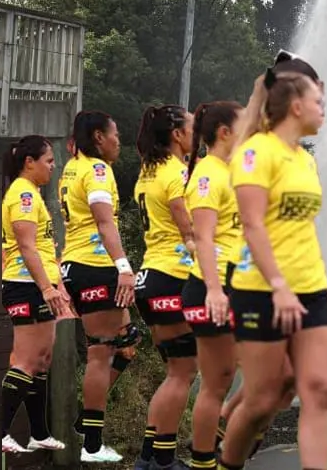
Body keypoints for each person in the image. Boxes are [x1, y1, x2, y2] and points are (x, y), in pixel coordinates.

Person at [218, 71, 327, 470]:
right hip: (260, 290)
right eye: (319, 101)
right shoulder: (255, 153)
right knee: (261, 401)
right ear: (297, 107)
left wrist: (302, 281)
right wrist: (280, 286)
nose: (325, 109)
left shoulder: (305, 159)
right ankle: (227, 464)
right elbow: (252, 225)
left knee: (317, 389)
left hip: (311, 288)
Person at [59, 110, 135, 463]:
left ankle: (84, 422)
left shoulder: (72, 167)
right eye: (114, 133)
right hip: (95, 266)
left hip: (78, 265)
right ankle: (91, 444)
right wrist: (124, 267)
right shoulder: (98, 170)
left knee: (127, 347)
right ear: (98, 137)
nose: (119, 140)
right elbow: (105, 224)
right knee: (101, 352)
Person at [180, 100, 251, 469]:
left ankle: (221, 431)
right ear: (225, 132)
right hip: (214, 286)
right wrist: (213, 290)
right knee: (217, 380)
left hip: (236, 285)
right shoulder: (208, 175)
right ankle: (205, 460)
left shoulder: (229, 171)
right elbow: (204, 238)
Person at [132, 104, 198, 470]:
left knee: (176, 373)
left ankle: (150, 457)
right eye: (192, 127)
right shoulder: (179, 173)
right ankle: (162, 460)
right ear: (176, 134)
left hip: (151, 278)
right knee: (182, 373)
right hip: (173, 277)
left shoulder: (148, 171)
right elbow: (190, 230)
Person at [0, 135, 71, 454]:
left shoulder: (34, 194)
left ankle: (38, 432)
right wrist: (45, 287)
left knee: (42, 361)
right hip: (25, 284)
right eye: (49, 161)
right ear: (29, 162)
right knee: (27, 361)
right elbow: (26, 246)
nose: (53, 167)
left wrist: (56, 284)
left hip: (39, 284)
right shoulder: (23, 194)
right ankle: (0, 432)